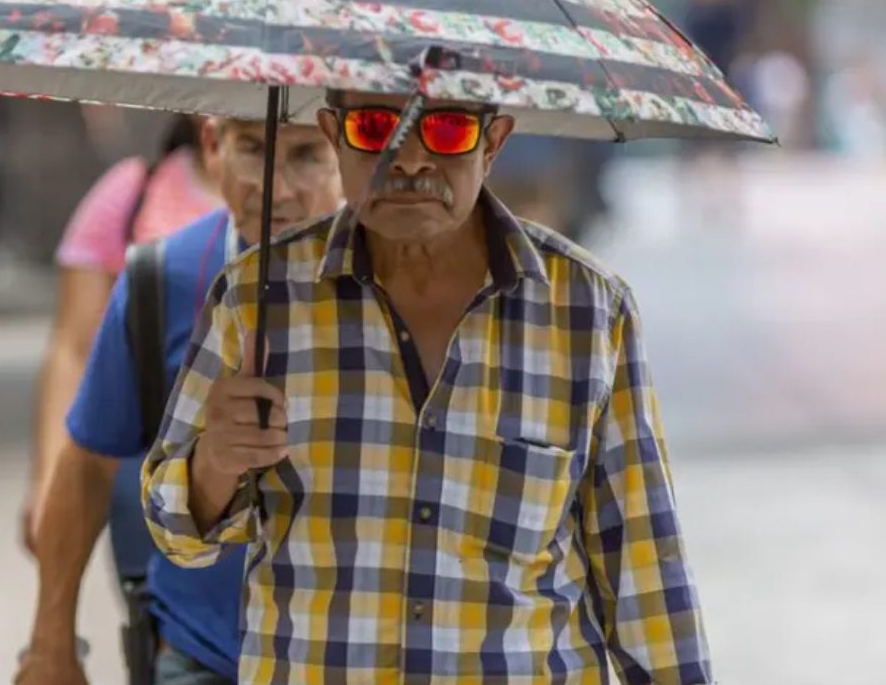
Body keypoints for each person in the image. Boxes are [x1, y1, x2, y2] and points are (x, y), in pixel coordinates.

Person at [144, 91, 713, 684]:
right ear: (335, 135)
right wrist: (214, 463)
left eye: (446, 130)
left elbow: (644, 569)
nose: (411, 159)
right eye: (374, 127)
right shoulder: (254, 299)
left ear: (493, 143)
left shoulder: (588, 309)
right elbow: (174, 534)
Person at [15, 118, 343, 685]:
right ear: (213, 147)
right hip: (202, 656)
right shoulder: (162, 279)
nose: (277, 188)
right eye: (254, 149)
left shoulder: (406, 291)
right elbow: (88, 463)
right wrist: (50, 643)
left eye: (309, 155)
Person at [20, 113, 223, 557]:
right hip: (149, 469)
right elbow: (73, 348)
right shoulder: (134, 192)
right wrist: (49, 481)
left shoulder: (324, 199)